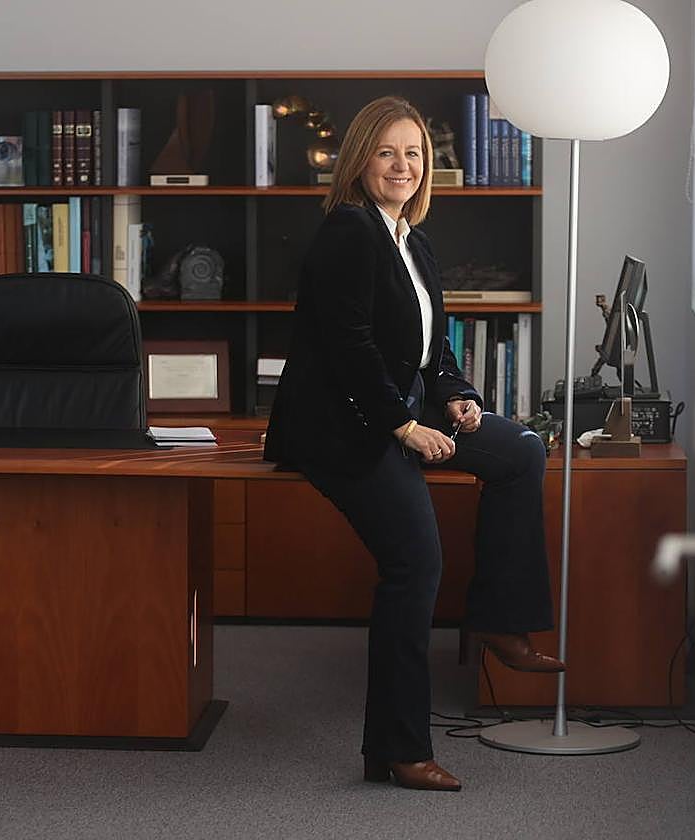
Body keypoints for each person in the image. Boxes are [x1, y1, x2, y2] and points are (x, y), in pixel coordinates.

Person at [263, 96, 563, 792]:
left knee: (520, 452)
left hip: (402, 406)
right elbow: (350, 349)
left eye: (415, 153)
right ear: (360, 160)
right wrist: (404, 428)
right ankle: (397, 749)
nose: (403, 165)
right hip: (341, 426)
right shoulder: (348, 232)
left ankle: (503, 623)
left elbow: (433, 348)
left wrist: (460, 396)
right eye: (387, 152)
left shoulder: (411, 237)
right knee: (415, 564)